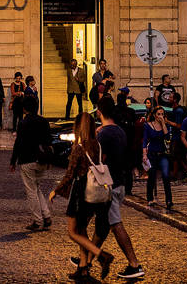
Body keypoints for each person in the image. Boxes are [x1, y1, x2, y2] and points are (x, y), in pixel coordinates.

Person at [75, 97, 144, 279]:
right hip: (119, 182)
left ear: (99, 112)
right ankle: (87, 259)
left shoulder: (103, 135)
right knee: (102, 225)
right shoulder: (120, 131)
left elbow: (100, 159)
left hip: (107, 186)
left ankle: (134, 265)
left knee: (115, 224)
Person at [50, 113, 113, 282]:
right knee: (83, 229)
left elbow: (70, 173)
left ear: (79, 127)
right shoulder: (97, 145)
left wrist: (56, 191)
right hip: (97, 193)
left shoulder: (79, 147)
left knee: (73, 231)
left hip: (81, 192)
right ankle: (83, 268)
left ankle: (102, 255)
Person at [9, 96, 52, 232]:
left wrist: (13, 161)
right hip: (42, 160)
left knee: (31, 191)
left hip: (27, 160)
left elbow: (18, 143)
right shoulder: (44, 121)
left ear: (25, 108)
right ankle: (46, 216)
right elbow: (49, 142)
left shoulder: (23, 123)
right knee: (37, 188)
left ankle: (38, 221)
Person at [143, 106, 173, 209]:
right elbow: (145, 140)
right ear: (155, 115)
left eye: (162, 114)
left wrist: (163, 123)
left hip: (162, 153)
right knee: (151, 176)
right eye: (159, 114)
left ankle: (169, 200)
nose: (160, 116)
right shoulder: (148, 126)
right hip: (152, 154)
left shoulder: (165, 126)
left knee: (165, 175)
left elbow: (167, 137)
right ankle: (150, 198)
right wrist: (144, 154)